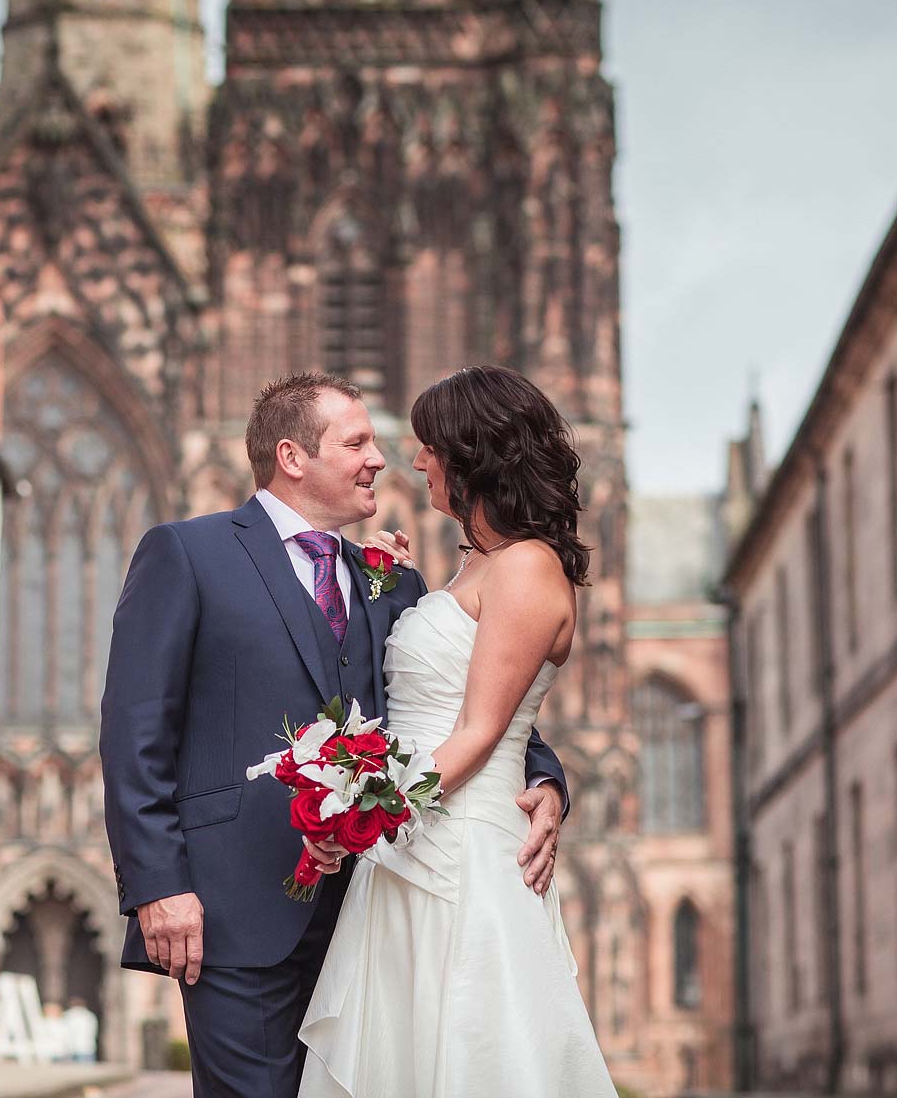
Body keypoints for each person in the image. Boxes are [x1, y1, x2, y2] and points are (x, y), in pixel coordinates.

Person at [100, 372, 570, 1098]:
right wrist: (158, 886)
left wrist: (542, 777)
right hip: (232, 906)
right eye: (357, 442)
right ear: (292, 457)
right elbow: (135, 733)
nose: (382, 459)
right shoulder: (187, 554)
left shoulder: (394, 583)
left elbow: (466, 701)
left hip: (378, 904)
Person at [297, 364, 615, 1097]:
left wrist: (361, 815)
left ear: (474, 454)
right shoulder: (480, 566)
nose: (415, 462)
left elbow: (478, 732)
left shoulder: (529, 568)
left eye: (429, 445)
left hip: (461, 852)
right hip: (415, 847)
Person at [62, 998, 99, 1063]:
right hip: (88, 1047)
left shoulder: (68, 1015)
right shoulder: (90, 1015)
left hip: (72, 1049)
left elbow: (64, 1033)